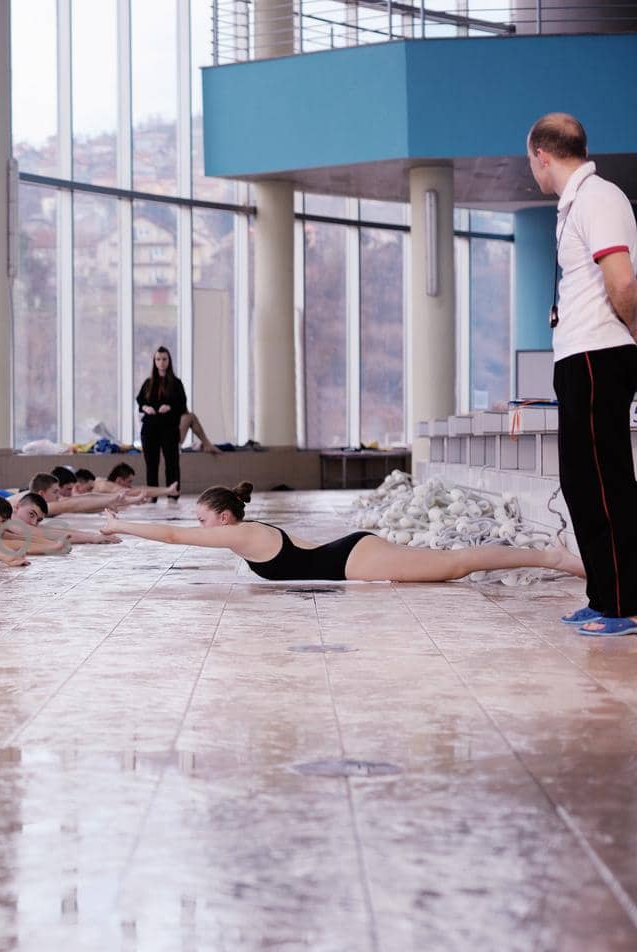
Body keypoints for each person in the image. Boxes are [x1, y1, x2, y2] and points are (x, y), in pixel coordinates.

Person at [527, 113, 637, 636]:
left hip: (600, 354)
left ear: (542, 155)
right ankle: (605, 595)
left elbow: (623, 281)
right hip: (579, 357)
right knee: (581, 481)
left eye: (532, 161)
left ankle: (624, 604)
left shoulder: (597, 198)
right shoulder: (574, 205)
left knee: (605, 479)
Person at [101, 482, 585, 583]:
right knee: (452, 562)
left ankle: (555, 559)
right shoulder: (245, 534)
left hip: (355, 560)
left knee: (456, 564)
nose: (197, 529)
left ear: (224, 518)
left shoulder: (240, 535)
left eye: (202, 520)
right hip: (353, 553)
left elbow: (172, 538)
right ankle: (550, 558)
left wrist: (121, 523)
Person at [136, 346, 187, 492]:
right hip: (150, 428)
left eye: (164, 359)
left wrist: (170, 407)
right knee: (151, 463)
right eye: (158, 359)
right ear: (154, 361)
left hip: (169, 428)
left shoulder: (176, 383)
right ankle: (152, 495)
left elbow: (182, 405)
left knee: (172, 462)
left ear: (169, 361)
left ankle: (173, 493)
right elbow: (140, 401)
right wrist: (145, 407)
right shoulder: (148, 382)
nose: (161, 362)